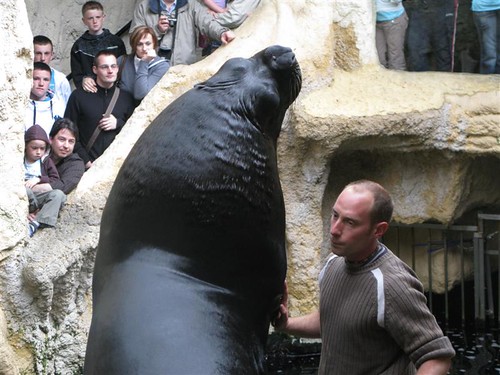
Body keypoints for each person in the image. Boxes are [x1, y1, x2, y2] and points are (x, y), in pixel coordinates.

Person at [273, 180, 456, 374]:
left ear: (378, 230)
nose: (335, 229)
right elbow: (332, 321)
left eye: (350, 222)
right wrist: (287, 324)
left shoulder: (392, 284)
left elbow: (437, 358)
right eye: (335, 215)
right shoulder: (333, 262)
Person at [65, 50, 135, 170]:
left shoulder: (126, 98)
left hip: (116, 167)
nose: (110, 70)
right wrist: (86, 162)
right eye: (104, 67)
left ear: (118, 68)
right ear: (95, 69)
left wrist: (118, 123)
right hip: (85, 166)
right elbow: (68, 132)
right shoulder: (78, 96)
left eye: (113, 66)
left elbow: (134, 131)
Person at [130, 0, 236, 65]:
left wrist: (222, 32)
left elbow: (207, 23)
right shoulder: (143, 7)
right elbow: (134, 38)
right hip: (152, 70)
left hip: (183, 68)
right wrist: (157, 30)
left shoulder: (192, 5)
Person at [70, 1, 126, 91]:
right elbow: (77, 74)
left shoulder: (116, 42)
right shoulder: (78, 47)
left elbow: (123, 68)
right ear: (84, 21)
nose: (95, 21)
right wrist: (83, 80)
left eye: (98, 17)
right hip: (90, 92)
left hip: (113, 90)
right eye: (90, 18)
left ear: (103, 18)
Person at [24, 124, 66, 237]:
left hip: (39, 196)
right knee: (25, 190)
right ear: (25, 146)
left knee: (58, 194)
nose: (38, 152)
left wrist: (39, 179)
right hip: (25, 196)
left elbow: (55, 179)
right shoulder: (20, 159)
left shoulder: (45, 161)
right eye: (34, 148)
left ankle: (36, 222)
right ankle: (26, 214)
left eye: (42, 148)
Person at [31, 118, 85, 196]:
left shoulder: (76, 164)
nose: (66, 146)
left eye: (71, 141)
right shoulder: (39, 152)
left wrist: (29, 188)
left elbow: (63, 186)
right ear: (51, 139)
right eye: (62, 139)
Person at [117, 26, 169, 104]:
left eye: (148, 44)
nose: (144, 48)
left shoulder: (162, 66)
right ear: (134, 46)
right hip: (121, 109)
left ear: (154, 44)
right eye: (139, 44)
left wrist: (144, 62)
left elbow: (140, 94)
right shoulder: (122, 60)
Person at [405, 0, 455, 72]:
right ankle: (421, 81)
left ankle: (444, 82)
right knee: (416, 55)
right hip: (418, 9)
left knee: (444, 54)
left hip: (443, 10)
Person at [25, 62, 66, 137]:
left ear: (50, 82)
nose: (41, 83)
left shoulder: (59, 106)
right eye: (36, 79)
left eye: (45, 79)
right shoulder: (19, 106)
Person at [33, 35, 72, 105]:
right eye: (38, 53)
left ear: (52, 55)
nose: (42, 58)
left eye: (46, 53)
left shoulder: (61, 79)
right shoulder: (22, 77)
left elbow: (68, 107)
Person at [375, 0, 409, 70]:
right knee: (378, 58)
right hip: (376, 21)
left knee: (395, 57)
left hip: (394, 19)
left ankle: (398, 80)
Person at [471, 0, 500, 74]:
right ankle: (486, 83)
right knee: (489, 54)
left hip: (483, 8)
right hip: (484, 8)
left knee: (490, 55)